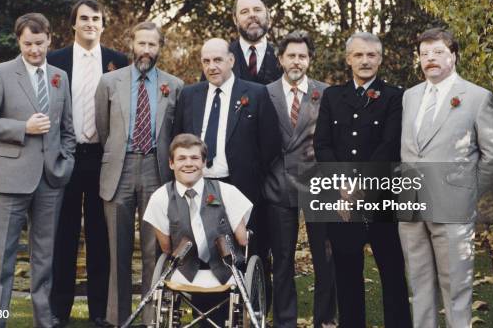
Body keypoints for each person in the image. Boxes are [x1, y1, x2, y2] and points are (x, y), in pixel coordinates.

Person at [399, 28, 493, 328]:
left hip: (453, 209)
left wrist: (468, 193)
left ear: (453, 55)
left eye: (437, 52)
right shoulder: (410, 96)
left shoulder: (477, 97)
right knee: (419, 288)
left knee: (456, 289)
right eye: (424, 54)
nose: (430, 59)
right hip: (411, 209)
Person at [0, 13, 76, 327]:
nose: (34, 49)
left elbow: (68, 130)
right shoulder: (0, 73)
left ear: (50, 40)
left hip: (50, 181)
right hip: (10, 180)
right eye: (28, 43)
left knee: (44, 260)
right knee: (1, 260)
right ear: (19, 41)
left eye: (39, 43)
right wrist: (23, 127)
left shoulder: (60, 76)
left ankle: (43, 321)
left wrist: (65, 164)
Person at [173, 38, 281, 310]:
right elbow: (179, 139)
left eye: (218, 60)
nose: (212, 66)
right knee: (205, 253)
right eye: (206, 61)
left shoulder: (256, 94)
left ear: (231, 61)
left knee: (246, 253)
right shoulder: (189, 95)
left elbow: (270, 144)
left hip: (240, 187)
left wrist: (250, 174)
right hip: (200, 187)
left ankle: (251, 313)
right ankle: (208, 316)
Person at [314, 32, 412, 328]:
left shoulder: (395, 96)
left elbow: (389, 145)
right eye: (359, 55)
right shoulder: (332, 96)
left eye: (371, 55)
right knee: (346, 274)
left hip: (382, 200)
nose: (365, 60)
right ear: (348, 60)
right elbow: (322, 145)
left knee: (393, 274)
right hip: (342, 201)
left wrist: (362, 186)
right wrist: (344, 185)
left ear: (380, 59)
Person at [94, 21, 184, 327]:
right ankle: (118, 318)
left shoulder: (174, 85)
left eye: (152, 45)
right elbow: (104, 130)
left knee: (154, 249)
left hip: (156, 171)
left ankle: (150, 316)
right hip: (118, 169)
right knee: (118, 250)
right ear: (132, 44)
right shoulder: (109, 82)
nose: (146, 50)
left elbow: (176, 133)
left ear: (160, 48)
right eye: (141, 43)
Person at [47, 0, 128, 328]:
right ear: (74, 24)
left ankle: (99, 310)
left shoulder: (117, 61)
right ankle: (58, 310)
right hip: (66, 155)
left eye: (96, 18)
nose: (90, 23)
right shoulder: (56, 60)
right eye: (84, 18)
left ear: (103, 24)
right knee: (63, 235)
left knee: (100, 236)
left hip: (102, 156)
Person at [264, 31, 336, 328]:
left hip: (318, 184)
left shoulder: (327, 93)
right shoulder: (263, 93)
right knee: (282, 260)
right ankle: (284, 322)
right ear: (280, 59)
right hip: (277, 184)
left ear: (310, 60)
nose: (297, 61)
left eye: (302, 56)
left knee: (326, 260)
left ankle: (326, 321)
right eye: (291, 55)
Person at [143, 133, 252, 326]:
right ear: (171, 163)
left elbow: (242, 240)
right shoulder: (160, 198)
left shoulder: (226, 192)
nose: (188, 163)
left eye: (194, 158)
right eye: (181, 158)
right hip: (185, 268)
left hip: (224, 268)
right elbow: (167, 248)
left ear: (204, 163)